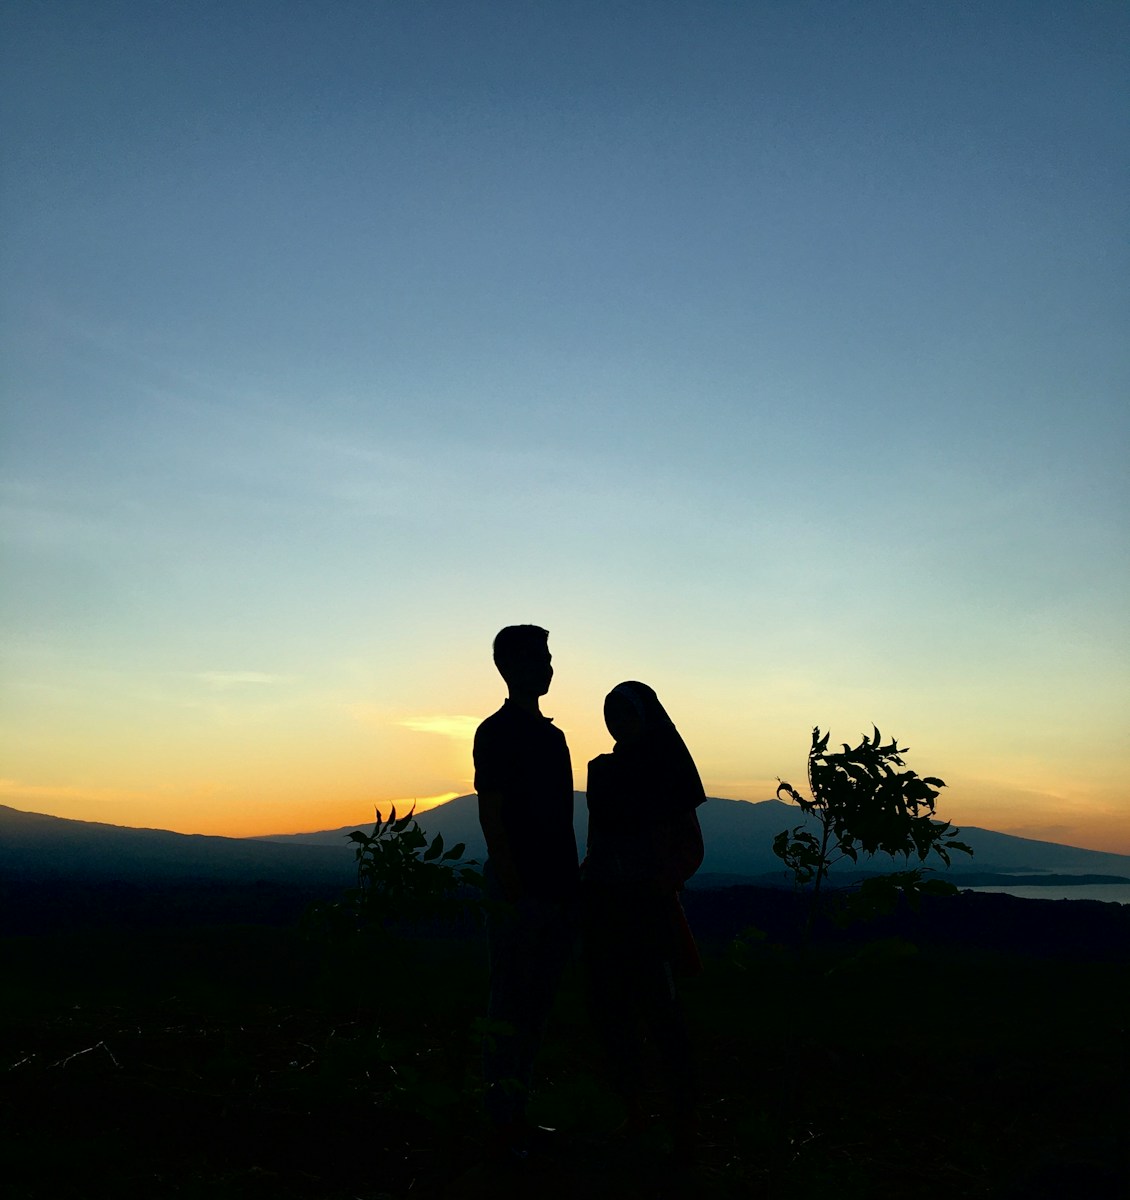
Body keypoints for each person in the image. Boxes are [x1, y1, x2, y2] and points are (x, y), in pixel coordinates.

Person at [582, 680, 706, 1157]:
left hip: (646, 914)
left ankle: (682, 1123)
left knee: (663, 1016)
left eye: (627, 714)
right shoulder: (605, 771)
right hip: (603, 907)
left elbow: (691, 847)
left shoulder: (664, 773)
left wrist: (656, 887)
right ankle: (633, 1114)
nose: (619, 723)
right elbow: (598, 841)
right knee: (612, 1016)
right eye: (612, 714)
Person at [473, 625, 579, 1161]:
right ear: (511, 666)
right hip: (521, 887)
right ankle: (499, 1120)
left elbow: (563, 820)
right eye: (540, 657)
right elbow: (491, 813)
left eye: (550, 657)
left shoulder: (553, 737)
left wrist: (569, 885)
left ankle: (517, 1115)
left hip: (556, 886)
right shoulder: (495, 732)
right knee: (511, 1001)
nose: (549, 667)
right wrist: (513, 883)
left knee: (534, 1008)